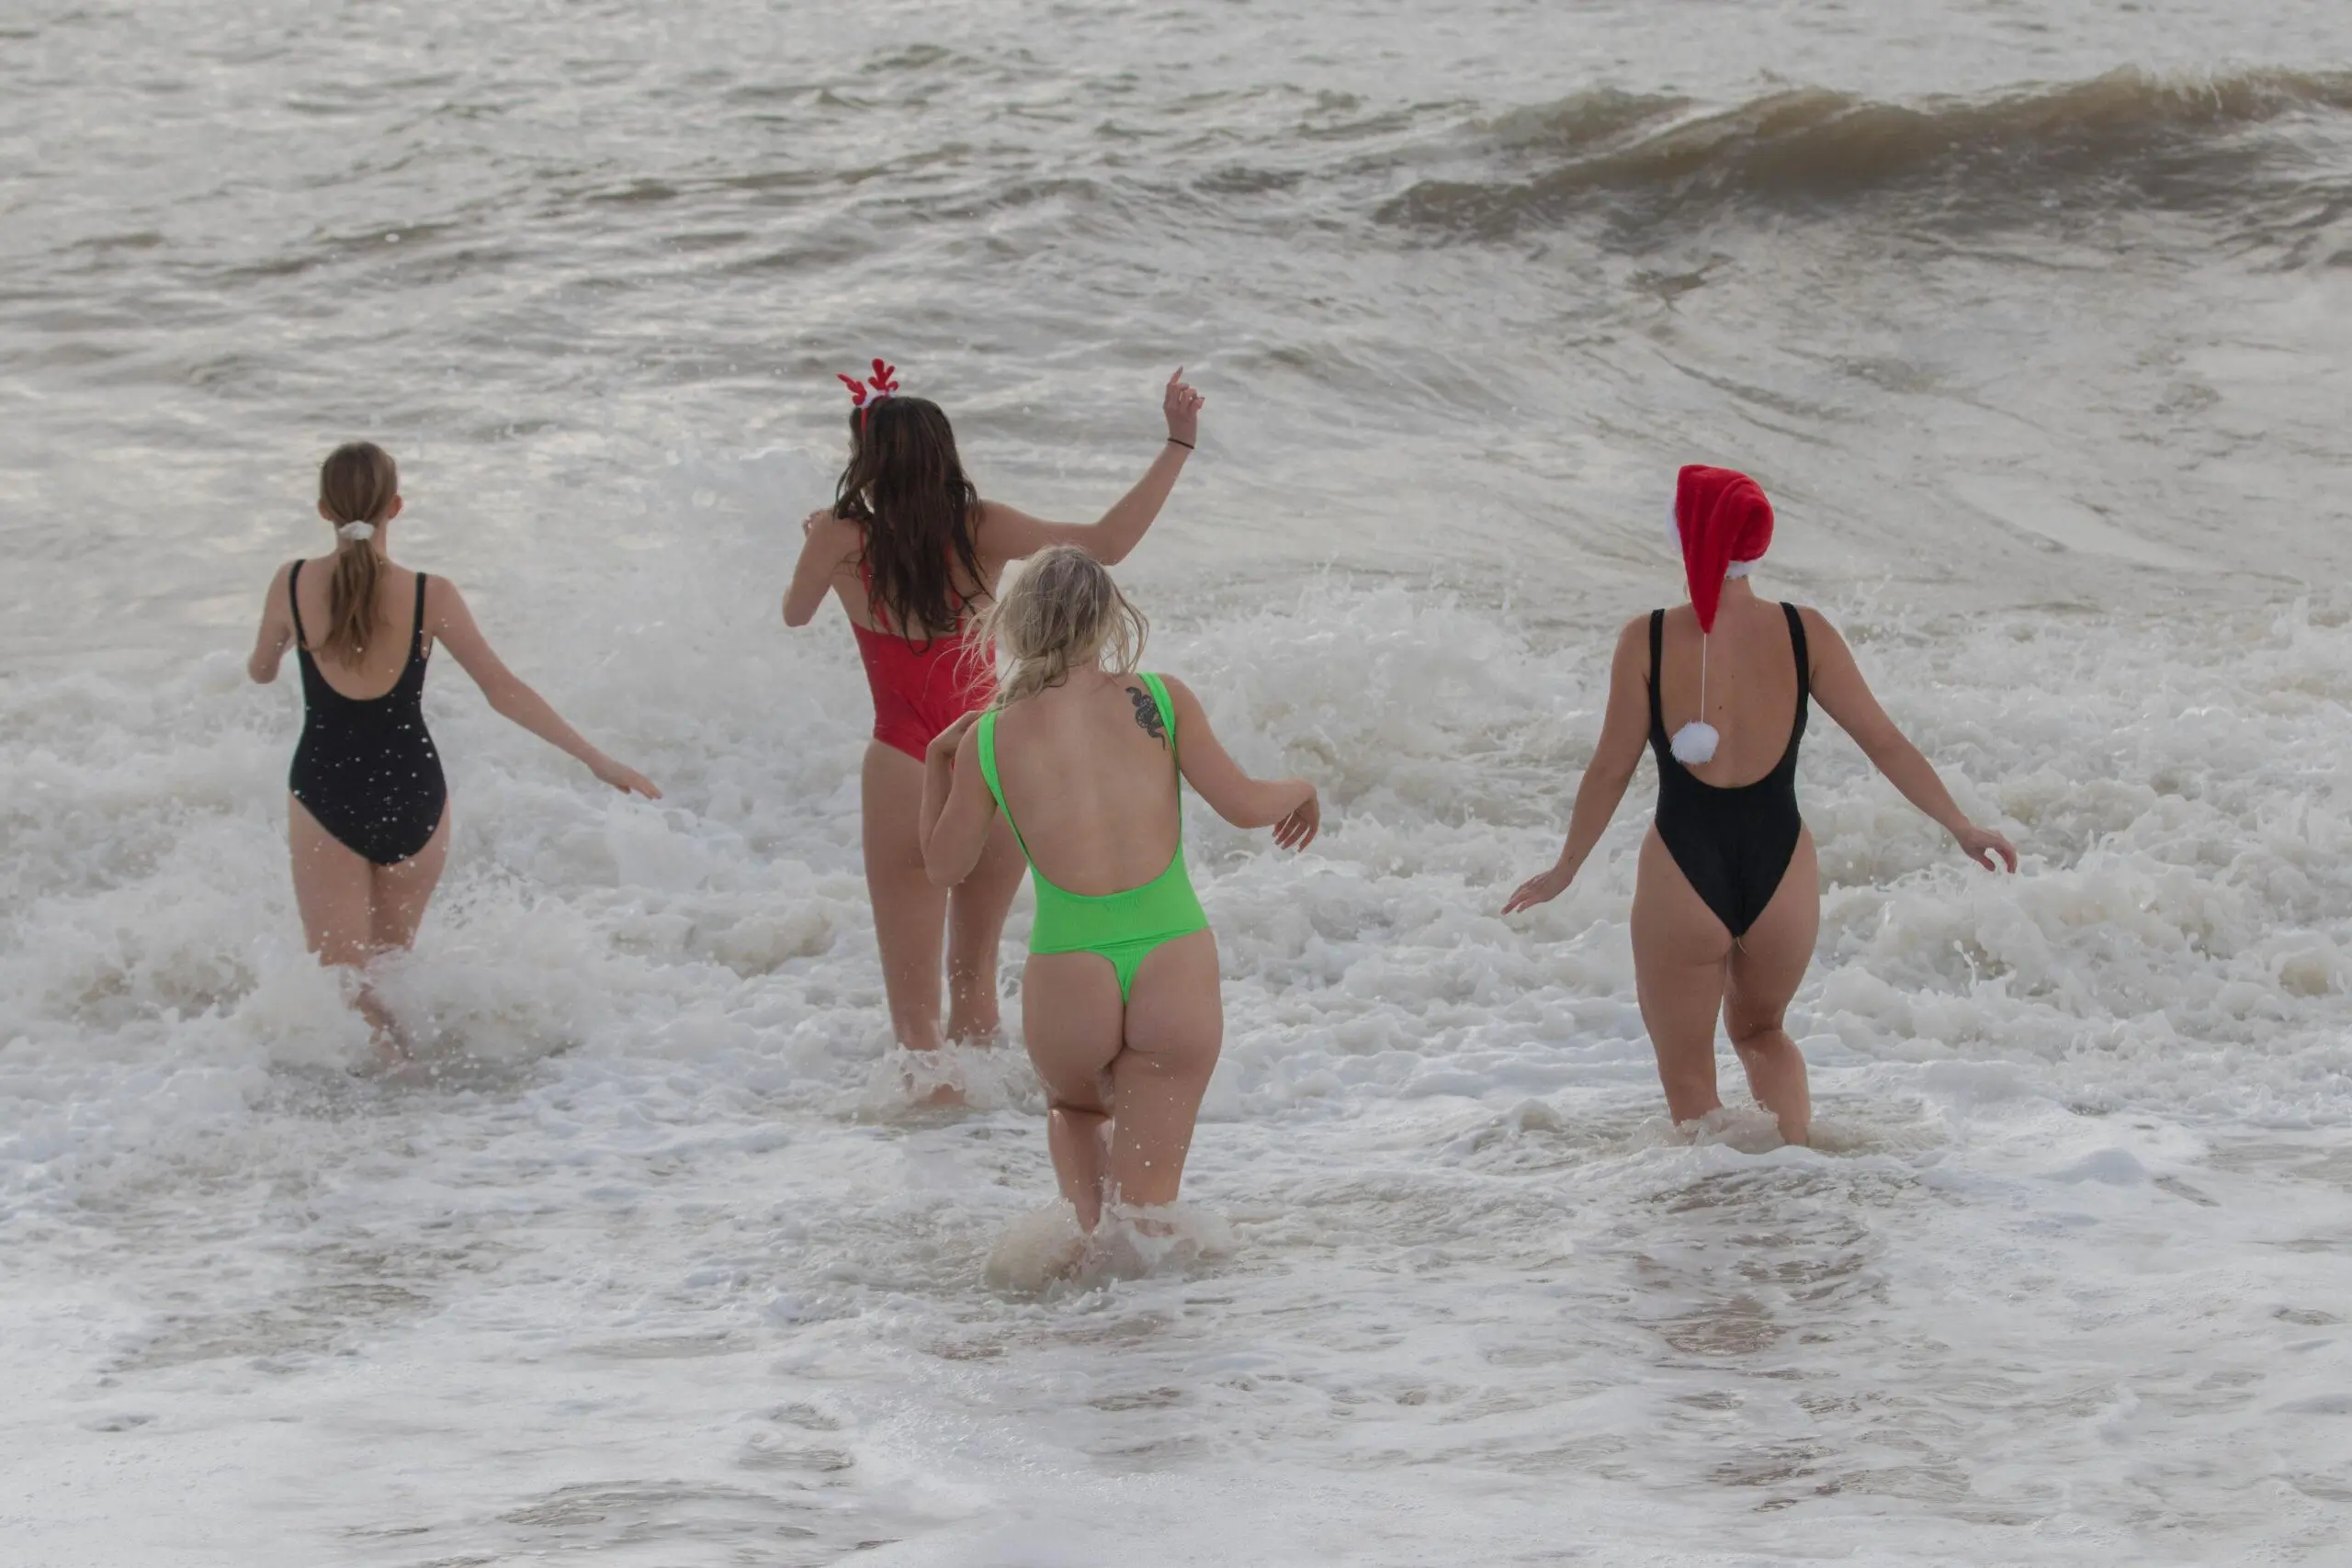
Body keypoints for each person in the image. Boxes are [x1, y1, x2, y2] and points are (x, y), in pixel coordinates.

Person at [1502, 466, 2016, 1145]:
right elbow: (1884, 741)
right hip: (1783, 873)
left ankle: (1723, 1227)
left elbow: (1609, 769)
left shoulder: (1648, 639)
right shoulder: (1806, 633)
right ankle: (1795, 1181)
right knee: (1763, 1034)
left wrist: (1565, 867)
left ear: (1687, 536)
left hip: (1683, 872)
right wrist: (1960, 824)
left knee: (1688, 1076)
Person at [783, 360, 1205, 1057]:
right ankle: (987, 1141)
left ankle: (933, 1137)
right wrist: (1177, 444)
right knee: (975, 980)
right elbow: (1106, 545)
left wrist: (817, 545)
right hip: (992, 756)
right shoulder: (982, 527)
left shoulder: (839, 537)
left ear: (868, 463)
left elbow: (795, 614)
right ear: (943, 453)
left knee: (914, 1012)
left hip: (900, 761)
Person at [917, 547, 1317, 1232]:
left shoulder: (990, 738)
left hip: (1070, 972)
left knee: (1075, 1114)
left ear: (1016, 626)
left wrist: (936, 763)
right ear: (1107, 619)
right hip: (1173, 963)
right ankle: (1146, 1317)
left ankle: (1087, 1278)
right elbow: (1248, 804)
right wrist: (1301, 788)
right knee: (1151, 1212)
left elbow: (943, 866)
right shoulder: (1159, 698)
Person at [246, 442, 659, 1050]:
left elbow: (259, 671)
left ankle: (377, 1103)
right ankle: (417, 1092)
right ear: (397, 506)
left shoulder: (294, 581)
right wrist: (596, 758)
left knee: (345, 987)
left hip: (325, 790)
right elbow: (503, 689)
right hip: (413, 793)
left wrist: (286, 642)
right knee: (391, 975)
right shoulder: (428, 593)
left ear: (322, 510)